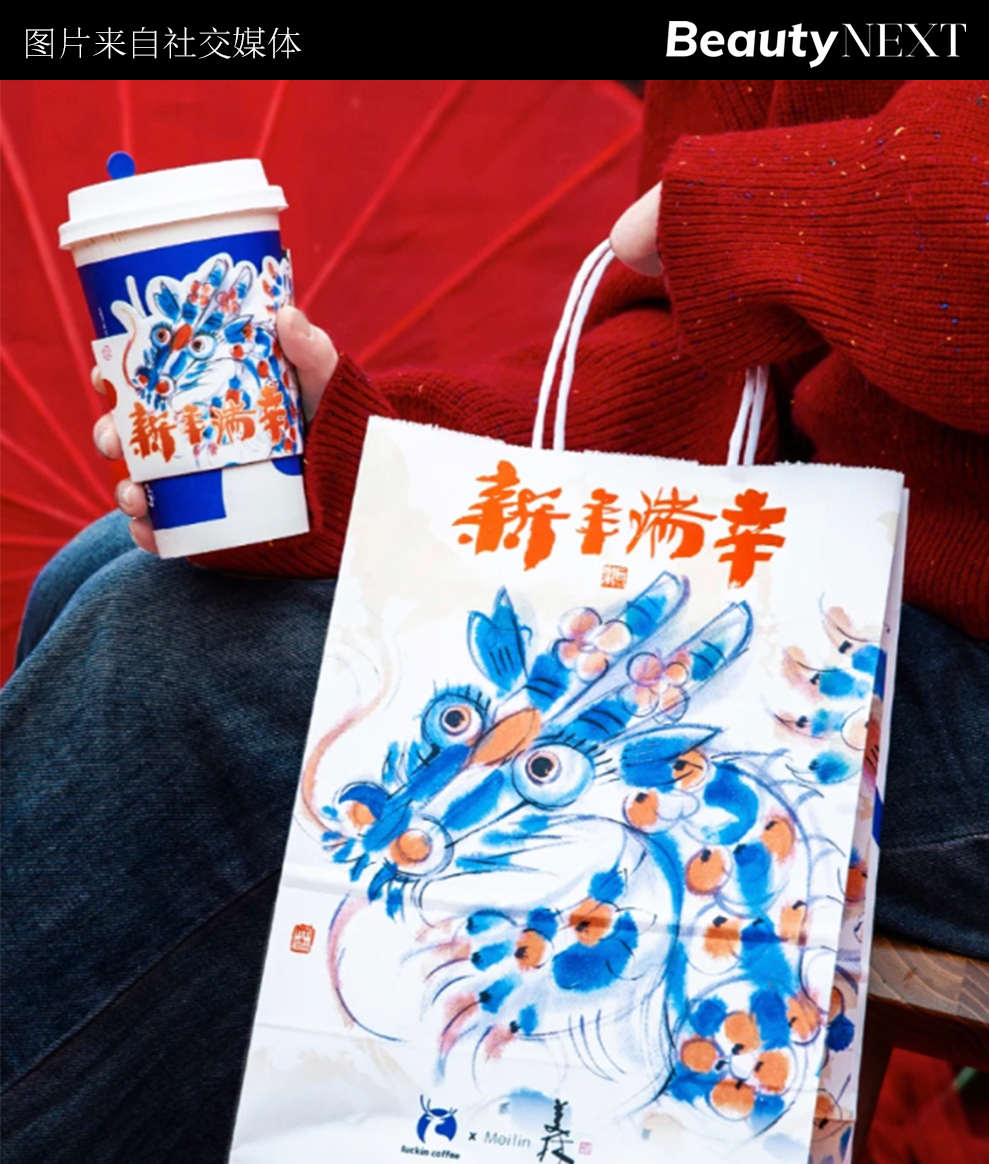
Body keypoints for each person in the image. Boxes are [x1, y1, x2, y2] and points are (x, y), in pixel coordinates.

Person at [2, 79, 987, 1164]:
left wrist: (788, 211)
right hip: (828, 556)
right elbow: (696, 361)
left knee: (177, 667)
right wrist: (366, 464)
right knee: (119, 572)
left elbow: (728, 237)